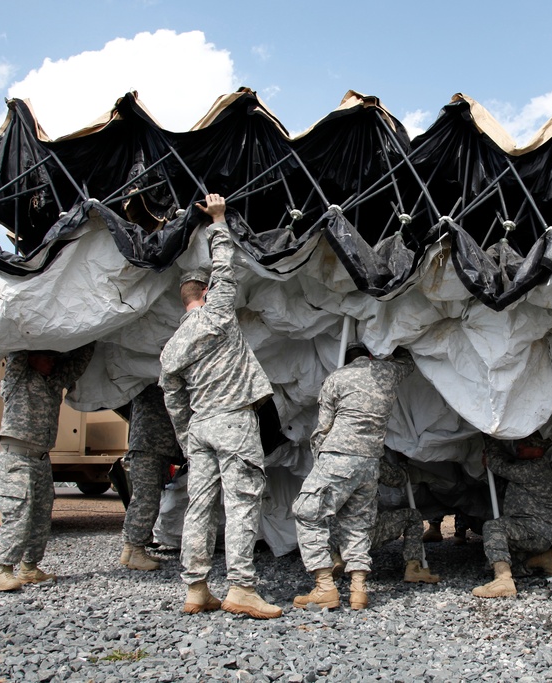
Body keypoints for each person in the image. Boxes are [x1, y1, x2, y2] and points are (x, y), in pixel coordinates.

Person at [159, 193, 280, 619]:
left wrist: (186, 440)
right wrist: (219, 220)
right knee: (242, 501)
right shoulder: (218, 316)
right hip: (233, 421)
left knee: (200, 507)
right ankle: (242, 588)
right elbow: (225, 265)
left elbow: (174, 401)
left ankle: (196, 589)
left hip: (200, 428)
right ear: (206, 293)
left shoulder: (172, 348)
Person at [292, 342, 415, 610]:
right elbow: (409, 362)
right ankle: (358, 589)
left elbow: (323, 428)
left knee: (307, 511)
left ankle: (324, 586)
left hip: (339, 455)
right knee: (358, 523)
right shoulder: (388, 372)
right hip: (371, 461)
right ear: (370, 355)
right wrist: (394, 347)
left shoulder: (337, 378)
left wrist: (320, 462)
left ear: (347, 360)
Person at [0, 344, 94, 592]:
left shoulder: (53, 382)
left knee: (40, 516)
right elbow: (17, 348)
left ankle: (29, 568)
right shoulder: (18, 377)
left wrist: (92, 339)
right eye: (47, 357)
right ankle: (3, 570)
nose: (52, 362)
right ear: (32, 357)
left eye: (54, 358)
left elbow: (78, 362)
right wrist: (30, 350)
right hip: (16, 458)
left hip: (40, 458)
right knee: (19, 514)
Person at [331, 450, 440, 585]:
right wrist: (403, 463)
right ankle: (413, 568)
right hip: (370, 531)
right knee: (413, 516)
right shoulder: (370, 458)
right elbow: (398, 479)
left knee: (317, 520)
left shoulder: (329, 461)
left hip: (339, 534)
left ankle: (335, 558)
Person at [473, 433, 552, 598]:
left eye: (526, 444)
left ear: (538, 450)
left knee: (493, 527)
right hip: (532, 529)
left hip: (535, 529)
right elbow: (505, 490)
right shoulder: (526, 466)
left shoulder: (536, 468)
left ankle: (503, 580)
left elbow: (500, 467)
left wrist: (490, 439)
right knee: (490, 563)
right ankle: (543, 559)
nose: (519, 446)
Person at [119, 383, 182, 571]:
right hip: (149, 447)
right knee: (147, 500)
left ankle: (129, 549)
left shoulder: (144, 382)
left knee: (140, 499)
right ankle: (137, 551)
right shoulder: (149, 380)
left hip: (151, 447)